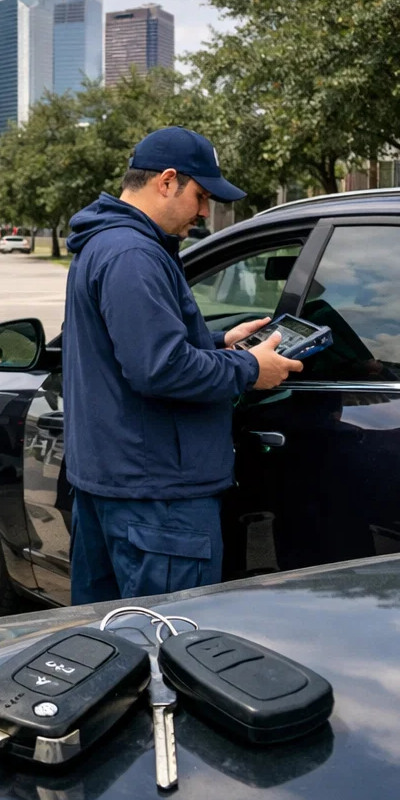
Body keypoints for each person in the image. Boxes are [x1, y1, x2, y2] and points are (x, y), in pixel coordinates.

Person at [62, 126, 302, 604]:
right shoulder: (133, 253)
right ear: (167, 182)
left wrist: (217, 342)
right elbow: (160, 369)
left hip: (121, 487)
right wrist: (251, 369)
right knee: (165, 652)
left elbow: (130, 348)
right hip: (157, 500)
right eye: (201, 195)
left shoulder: (109, 245)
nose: (204, 211)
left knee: (110, 649)